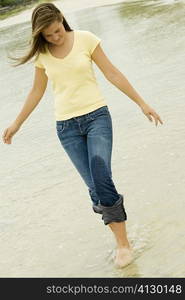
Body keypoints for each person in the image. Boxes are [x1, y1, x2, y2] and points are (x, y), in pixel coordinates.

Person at [2, 2, 163, 268]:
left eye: (57, 31)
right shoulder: (43, 55)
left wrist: (141, 103)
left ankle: (123, 245)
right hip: (66, 129)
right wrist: (17, 124)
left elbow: (112, 73)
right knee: (94, 189)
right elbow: (36, 92)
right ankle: (121, 238)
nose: (55, 37)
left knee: (101, 174)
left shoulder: (86, 39)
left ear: (62, 20)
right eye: (48, 35)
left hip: (97, 117)